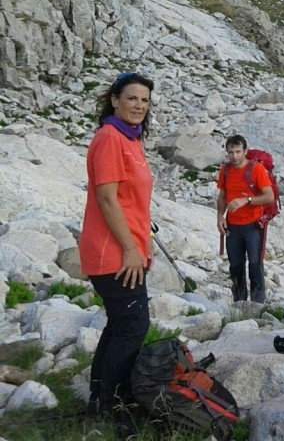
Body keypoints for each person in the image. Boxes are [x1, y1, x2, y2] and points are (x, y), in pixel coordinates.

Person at [80, 71, 155, 435]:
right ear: (114, 100)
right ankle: (117, 409)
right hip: (112, 252)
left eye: (144, 100)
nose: (139, 105)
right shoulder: (110, 138)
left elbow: (133, 201)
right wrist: (129, 248)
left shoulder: (131, 139)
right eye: (132, 98)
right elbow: (107, 199)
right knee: (133, 327)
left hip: (127, 249)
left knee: (120, 325)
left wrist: (145, 243)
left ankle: (99, 403)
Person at [217, 134, 274, 303]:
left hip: (253, 225)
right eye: (231, 152)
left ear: (245, 151)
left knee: (255, 265)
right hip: (233, 226)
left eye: (238, 152)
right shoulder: (225, 170)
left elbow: (269, 196)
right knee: (235, 265)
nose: (234, 156)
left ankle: (258, 304)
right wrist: (220, 217)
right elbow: (222, 196)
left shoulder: (256, 169)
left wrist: (247, 200)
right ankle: (239, 303)